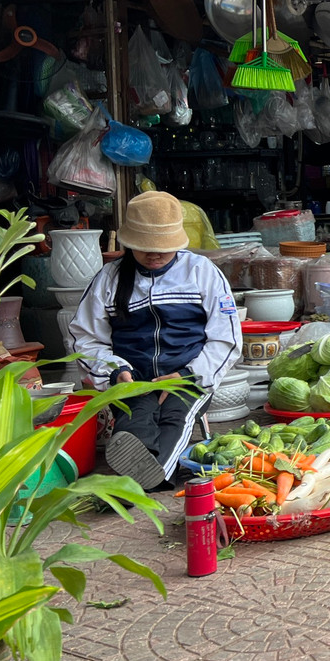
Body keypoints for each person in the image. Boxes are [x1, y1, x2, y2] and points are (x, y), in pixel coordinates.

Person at [69, 191, 240, 489]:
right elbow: (86, 338)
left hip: (189, 377)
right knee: (134, 417)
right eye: (145, 247)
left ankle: (137, 484)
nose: (155, 255)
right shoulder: (108, 278)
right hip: (133, 379)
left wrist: (188, 375)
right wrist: (116, 371)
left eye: (163, 247)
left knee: (176, 416)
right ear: (129, 243)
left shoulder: (201, 272)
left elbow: (226, 338)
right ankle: (146, 478)